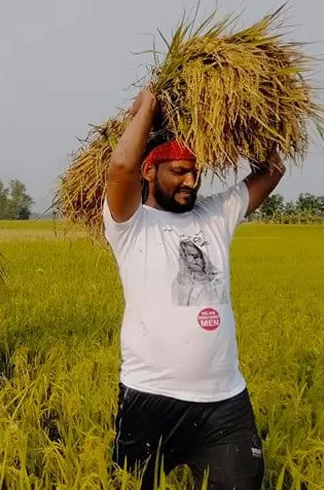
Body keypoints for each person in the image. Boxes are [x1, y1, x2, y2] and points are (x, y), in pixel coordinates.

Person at [104, 89, 284, 490]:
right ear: (150, 172)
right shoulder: (131, 224)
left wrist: (247, 119)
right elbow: (120, 167)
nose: (191, 181)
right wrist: (149, 103)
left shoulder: (214, 215)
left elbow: (272, 170)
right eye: (179, 171)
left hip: (225, 400)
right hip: (151, 396)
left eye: (195, 172)